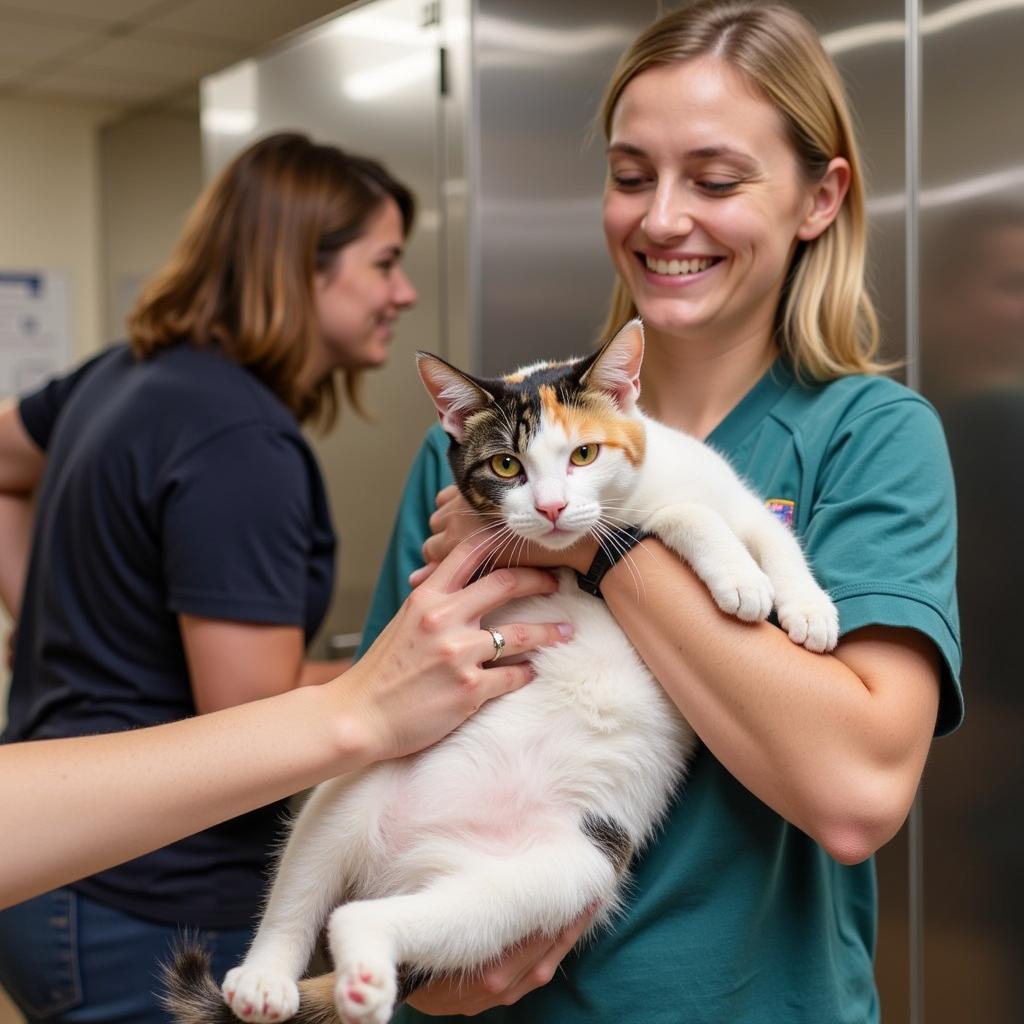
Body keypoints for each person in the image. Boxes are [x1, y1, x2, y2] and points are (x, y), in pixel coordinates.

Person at [358, 2, 962, 1021]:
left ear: (819, 198)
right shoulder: (479, 458)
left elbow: (855, 793)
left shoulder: (867, 434)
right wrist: (435, 979)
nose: (661, 218)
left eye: (716, 181)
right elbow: (378, 746)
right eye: (631, 176)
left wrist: (602, 546)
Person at [0, 132, 569, 1023]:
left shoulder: (118, 374)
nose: (403, 292)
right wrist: (420, 675)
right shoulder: (240, 439)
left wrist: (61, 618)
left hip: (52, 881)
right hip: (151, 902)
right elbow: (251, 705)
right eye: (384, 264)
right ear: (304, 268)